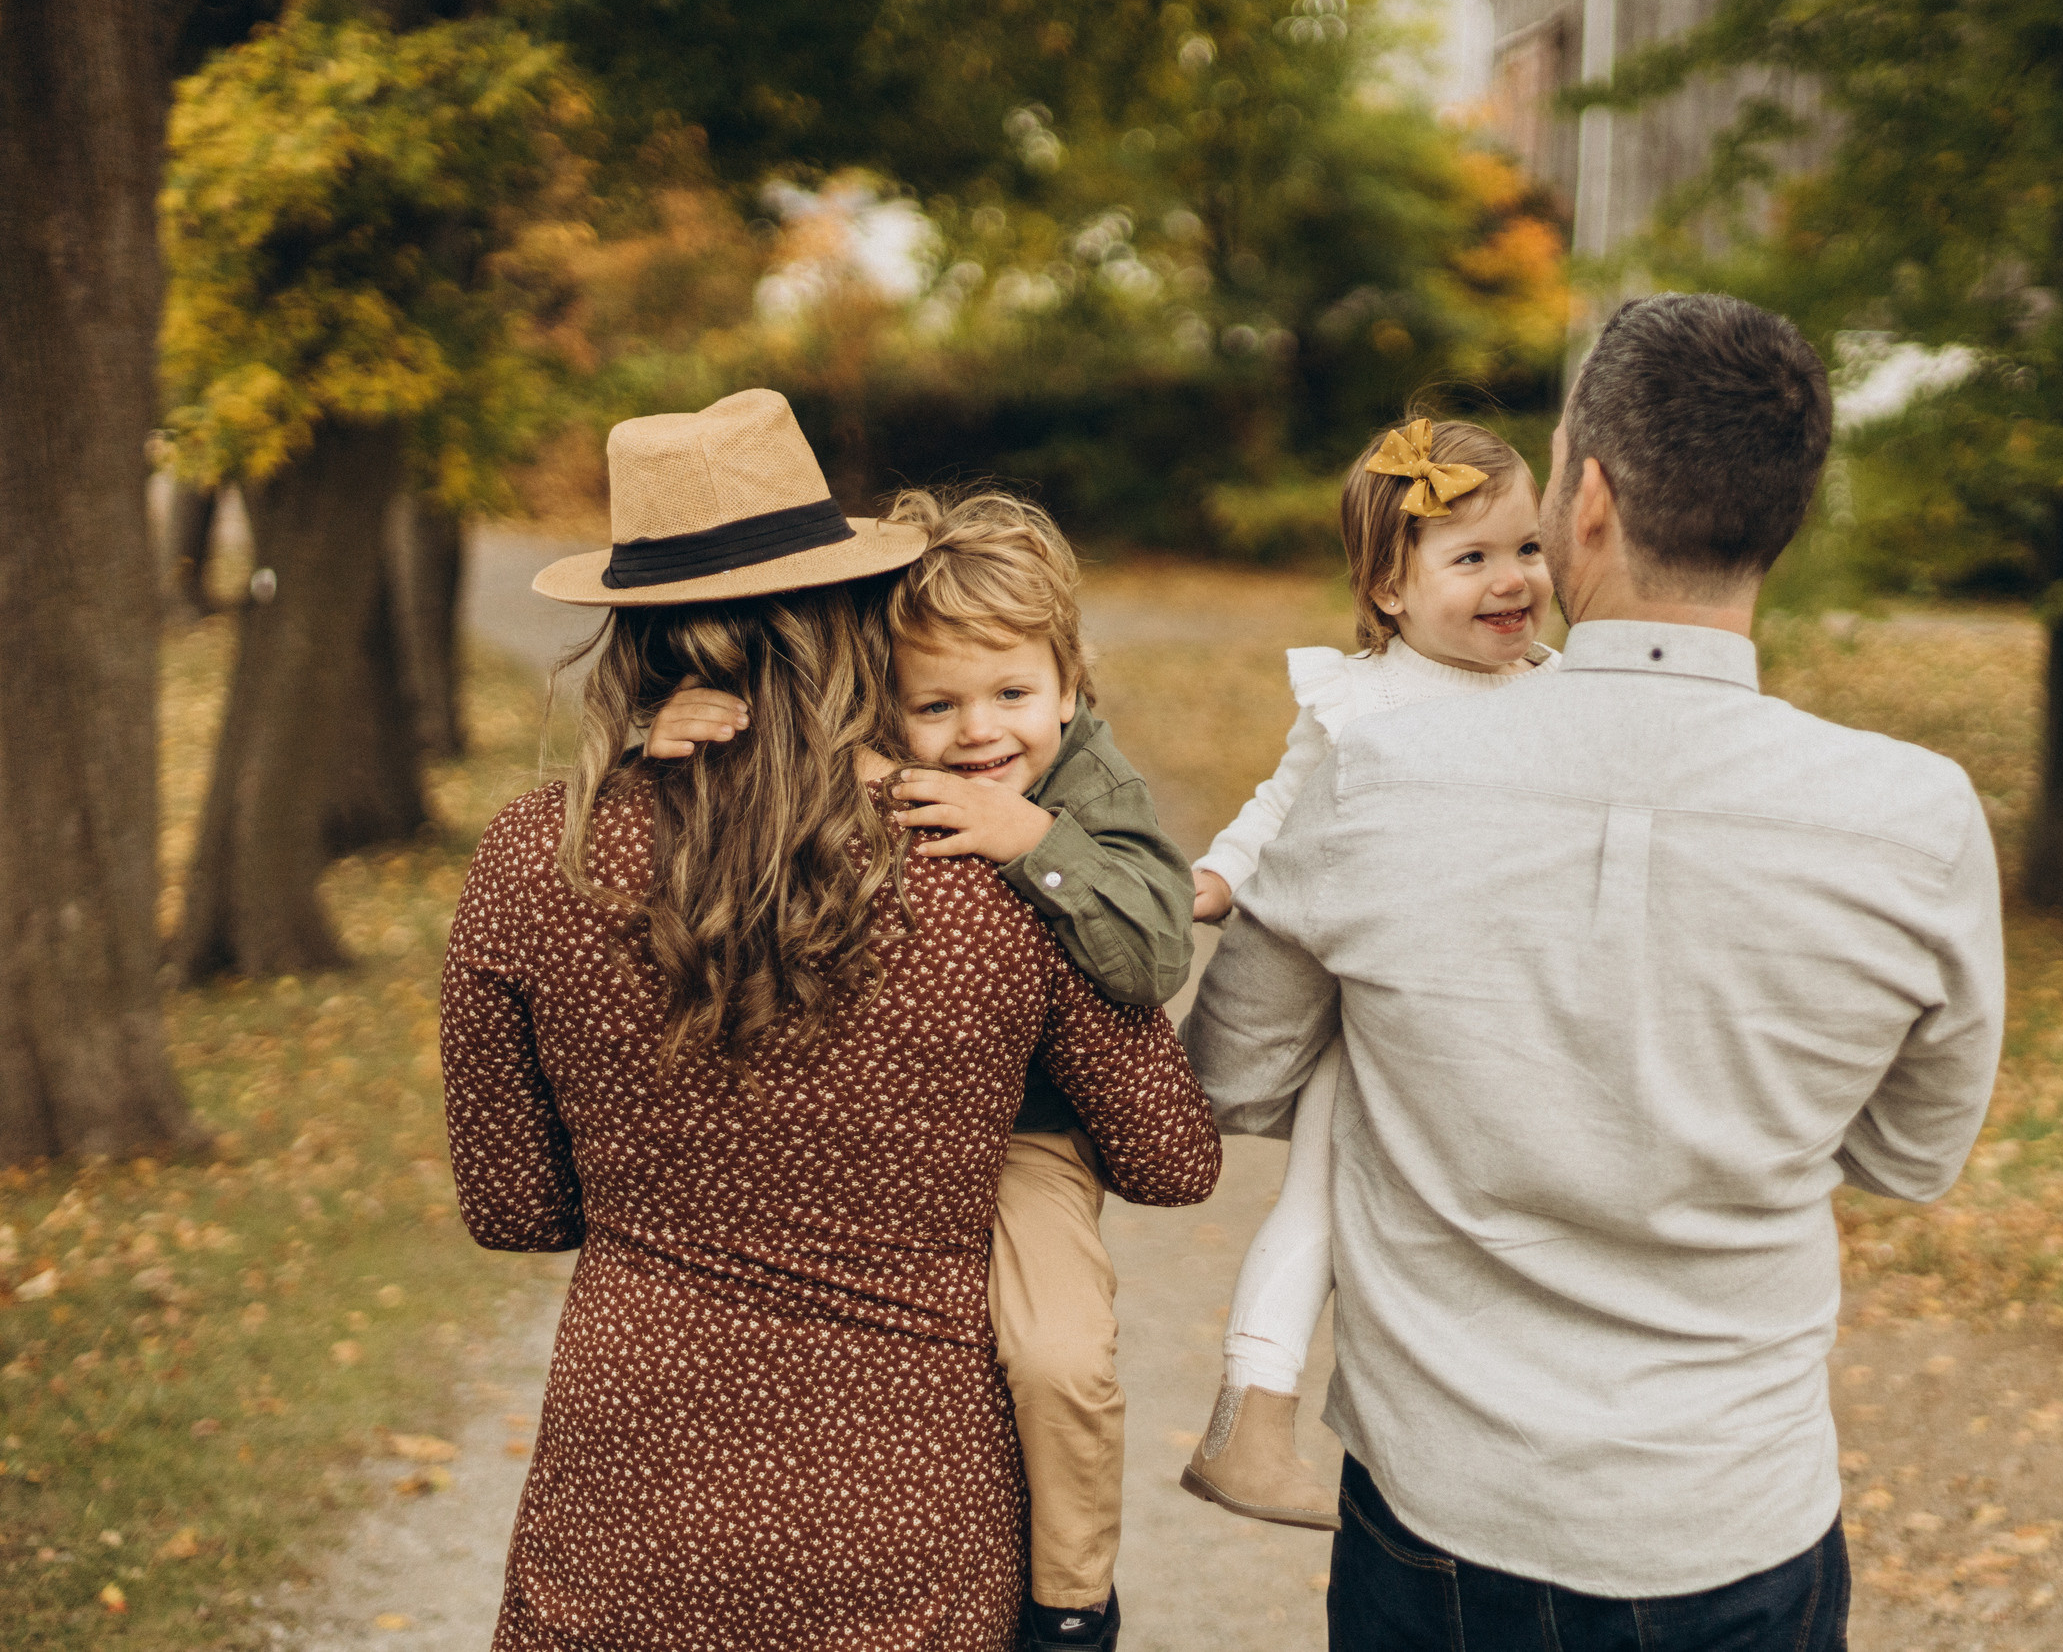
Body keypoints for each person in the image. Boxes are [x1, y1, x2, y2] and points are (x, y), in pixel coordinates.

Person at [1182, 295, 2006, 1652]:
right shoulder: (1918, 815)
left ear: (1594, 501)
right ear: (1782, 516)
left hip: (1444, 1518)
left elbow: (1237, 1073)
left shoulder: (1376, 777)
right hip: (1738, 1519)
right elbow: (1913, 1154)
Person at [441, 388, 1220, 1652]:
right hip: (911, 1528)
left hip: (625, 1509)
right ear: (852, 617)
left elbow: (514, 1208)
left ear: (631, 636)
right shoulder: (981, 867)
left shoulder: (542, 859)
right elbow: (1173, 1160)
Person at [643, 489, 1194, 1651]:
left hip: (1023, 1140)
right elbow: (762, 784)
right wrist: (677, 733)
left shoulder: (1087, 783)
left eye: (1014, 694)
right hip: (859, 1122)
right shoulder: (862, 759)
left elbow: (1150, 953)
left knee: (1056, 1355)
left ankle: (1072, 1601)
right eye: (934, 705)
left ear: (1072, 681)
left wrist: (1035, 845)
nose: (981, 731)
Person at [1179, 416, 1554, 1531]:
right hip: (1382, 1006)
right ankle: (1252, 1419)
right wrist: (1218, 875)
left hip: (1508, 1007)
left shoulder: (1557, 688)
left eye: (1527, 550)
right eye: (1470, 559)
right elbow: (1281, 807)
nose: (1510, 582)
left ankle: (1500, 1411)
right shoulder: (1365, 702)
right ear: (1388, 588)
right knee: (1327, 1199)